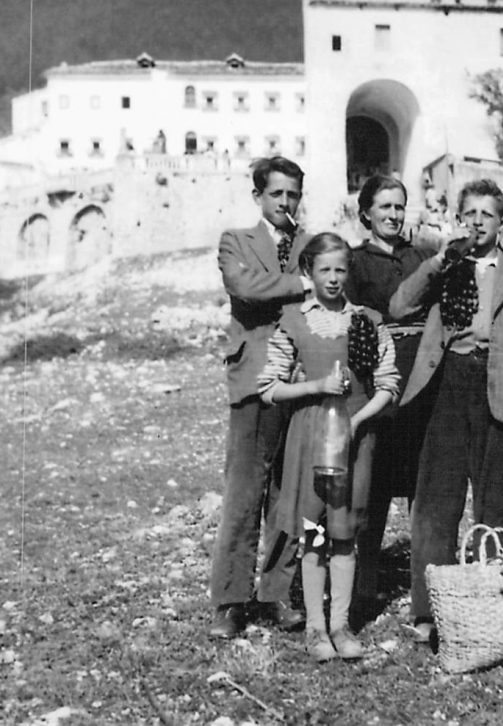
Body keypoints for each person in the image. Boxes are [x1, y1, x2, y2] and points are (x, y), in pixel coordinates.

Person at [390, 179, 503, 643]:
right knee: (435, 506)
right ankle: (430, 610)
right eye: (470, 214)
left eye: (487, 214)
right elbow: (399, 306)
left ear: (502, 221)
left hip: (500, 395)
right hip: (447, 389)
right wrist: (440, 261)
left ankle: (491, 610)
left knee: (493, 505)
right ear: (460, 219)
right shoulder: (444, 267)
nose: (478, 222)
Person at [257, 232, 400, 661]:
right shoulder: (294, 321)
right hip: (310, 437)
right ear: (308, 272)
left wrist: (356, 421)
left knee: (344, 534)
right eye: (325, 270)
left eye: (340, 269)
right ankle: (316, 629)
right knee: (314, 532)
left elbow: (389, 384)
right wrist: (315, 386)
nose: (334, 278)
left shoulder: (367, 320)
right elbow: (269, 387)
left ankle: (341, 623)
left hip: (354, 438)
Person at [209, 156, 313, 639]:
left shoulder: (308, 245)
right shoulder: (236, 240)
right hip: (253, 379)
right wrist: (301, 284)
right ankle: (230, 601)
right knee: (244, 493)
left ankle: (276, 595)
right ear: (258, 197)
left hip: (299, 379)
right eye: (277, 194)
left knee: (287, 494)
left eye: (292, 195)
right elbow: (244, 287)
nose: (285, 203)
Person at [343, 176, 436, 610]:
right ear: (366, 213)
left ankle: (425, 584)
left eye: (400, 207)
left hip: (421, 377)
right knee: (374, 483)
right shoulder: (354, 262)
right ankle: (364, 582)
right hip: (379, 378)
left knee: (422, 480)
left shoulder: (421, 257)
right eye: (384, 207)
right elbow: (348, 316)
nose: (393, 215)